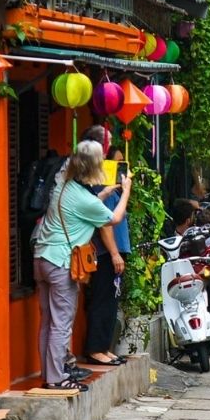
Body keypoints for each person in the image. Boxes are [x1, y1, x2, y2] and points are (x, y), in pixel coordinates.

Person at [33, 141, 131, 390]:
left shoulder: (62, 185)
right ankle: (56, 380)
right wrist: (126, 190)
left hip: (42, 258)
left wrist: (105, 194)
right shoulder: (83, 199)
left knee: (47, 321)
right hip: (61, 263)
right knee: (61, 323)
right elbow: (114, 218)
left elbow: (81, 206)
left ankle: (49, 373)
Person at [84, 146, 130, 366]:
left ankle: (104, 347)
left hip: (115, 252)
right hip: (106, 253)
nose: (122, 168)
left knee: (112, 300)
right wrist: (114, 253)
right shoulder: (103, 188)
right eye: (117, 163)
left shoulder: (113, 189)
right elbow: (105, 224)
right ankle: (95, 348)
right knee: (103, 300)